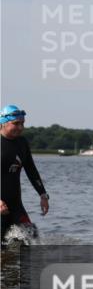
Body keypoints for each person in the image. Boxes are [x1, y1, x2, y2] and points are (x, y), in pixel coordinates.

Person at [1, 105, 49, 244]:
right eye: (16, 123)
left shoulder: (22, 142)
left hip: (16, 205)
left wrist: (43, 195)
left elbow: (31, 169)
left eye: (22, 123)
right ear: (3, 123)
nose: (20, 127)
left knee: (32, 240)